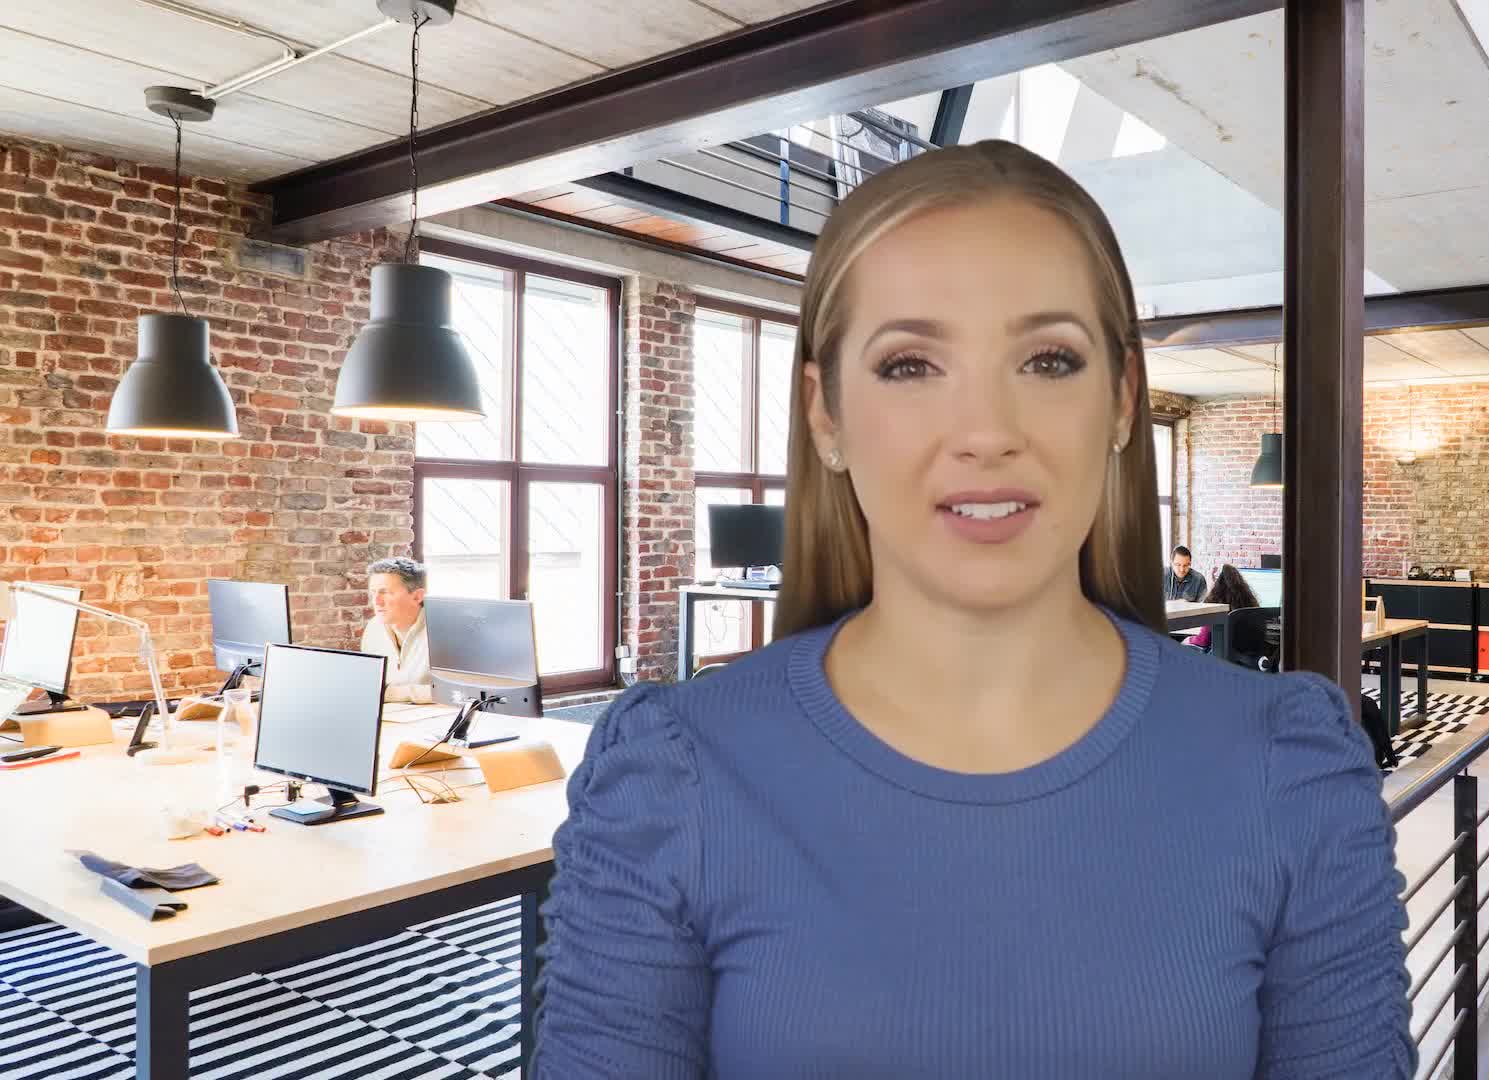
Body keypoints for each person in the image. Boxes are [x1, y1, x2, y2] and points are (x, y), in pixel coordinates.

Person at [533, 141, 1413, 1077]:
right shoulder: (670, 779)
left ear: (1122, 401)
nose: (988, 433)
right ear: (825, 414)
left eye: (1048, 360)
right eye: (910, 365)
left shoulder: (1290, 769)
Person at [359, 555, 433, 705]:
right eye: (373, 593)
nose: (376, 601)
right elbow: (368, 687)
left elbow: (459, 694)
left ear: (417, 596)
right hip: (390, 715)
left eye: (385, 592)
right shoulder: (374, 628)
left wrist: (391, 693)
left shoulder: (443, 633)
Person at [1185, 563, 1259, 653]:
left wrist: (1188, 640)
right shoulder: (1250, 602)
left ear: (1217, 584)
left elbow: (1202, 641)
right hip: (1248, 658)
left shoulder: (1214, 606)